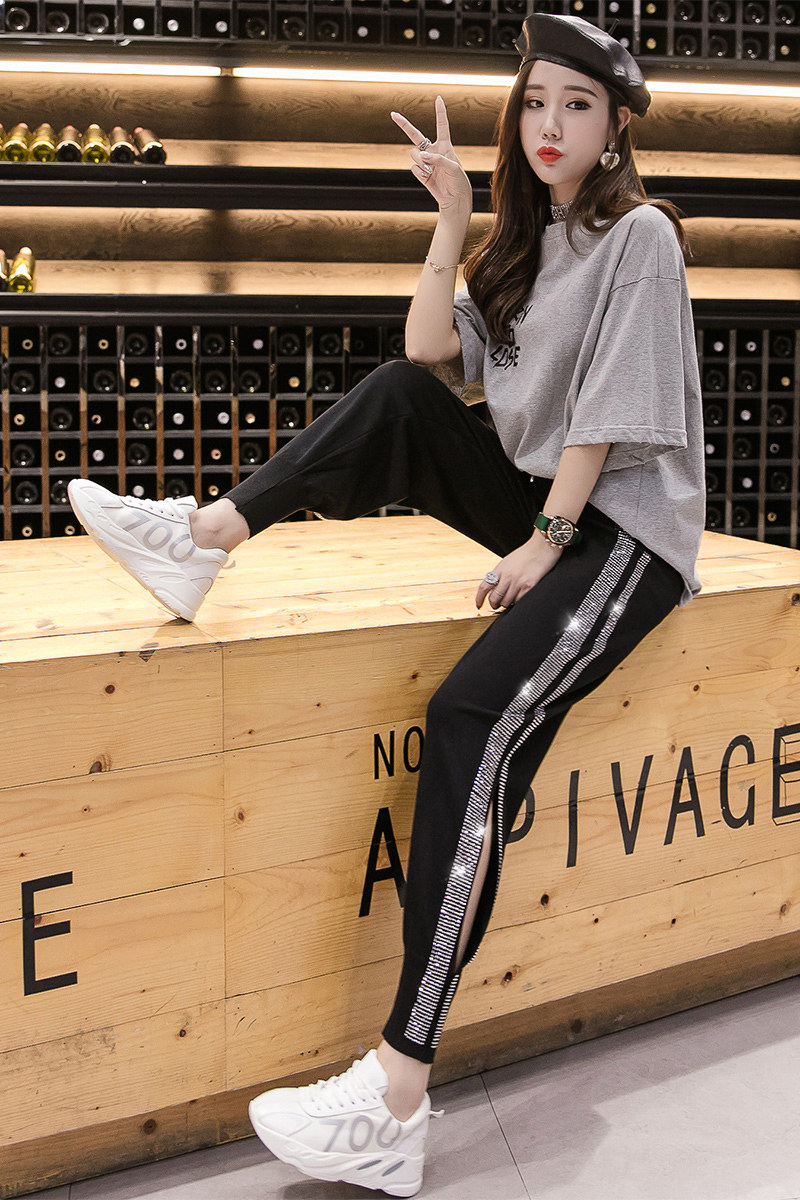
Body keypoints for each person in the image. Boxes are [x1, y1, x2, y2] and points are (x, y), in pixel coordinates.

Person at [67, 12, 705, 1197]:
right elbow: (423, 354)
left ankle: (396, 1094)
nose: (549, 125)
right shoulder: (525, 244)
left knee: (468, 719)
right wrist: (453, 220)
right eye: (534, 102)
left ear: (616, 125)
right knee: (396, 398)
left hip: (621, 537)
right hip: (545, 512)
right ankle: (205, 541)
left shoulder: (638, 237)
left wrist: (545, 544)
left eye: (576, 104)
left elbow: (608, 416)